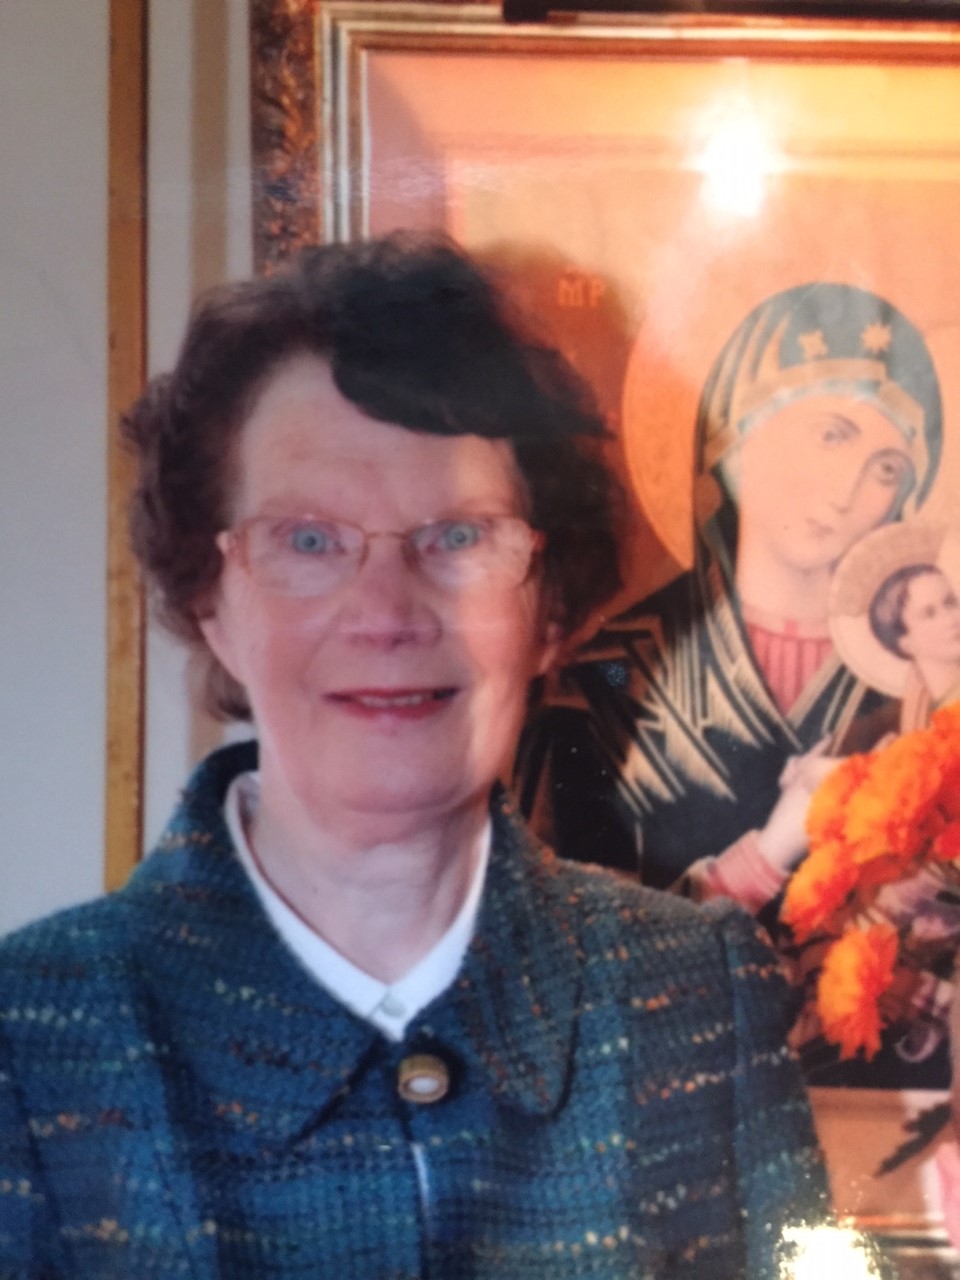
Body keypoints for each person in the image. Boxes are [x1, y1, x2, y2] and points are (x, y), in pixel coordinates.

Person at [0, 236, 826, 1278]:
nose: (387, 613)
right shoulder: (30, 1044)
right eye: (308, 540)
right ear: (212, 600)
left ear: (550, 608)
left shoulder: (703, 995)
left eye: (459, 537)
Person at [518, 282, 944, 922]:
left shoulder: (921, 684)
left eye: (887, 469)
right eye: (832, 435)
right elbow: (566, 937)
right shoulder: (609, 679)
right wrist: (764, 859)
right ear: (737, 436)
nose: (847, 491)